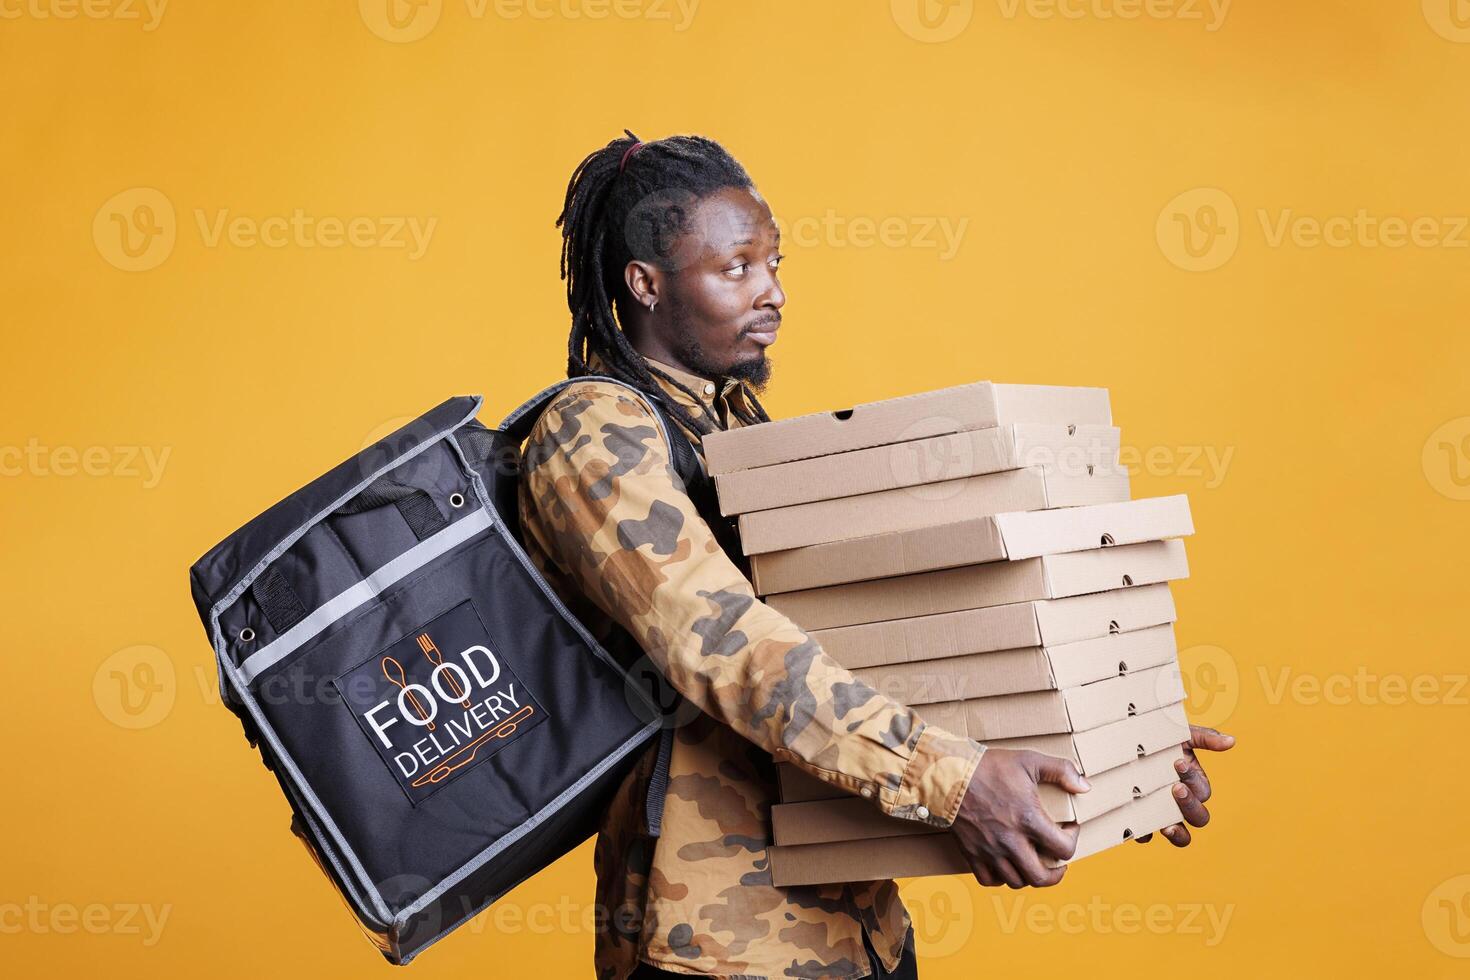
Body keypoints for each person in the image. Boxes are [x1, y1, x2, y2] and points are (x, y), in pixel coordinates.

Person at [516, 130, 1235, 980]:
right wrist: (953, 781)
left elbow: (875, 642)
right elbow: (726, 645)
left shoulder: (737, 433)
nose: (772, 292)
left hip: (858, 925)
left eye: (774, 263)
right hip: (714, 943)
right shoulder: (594, 433)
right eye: (736, 268)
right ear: (644, 282)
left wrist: (1112, 743)